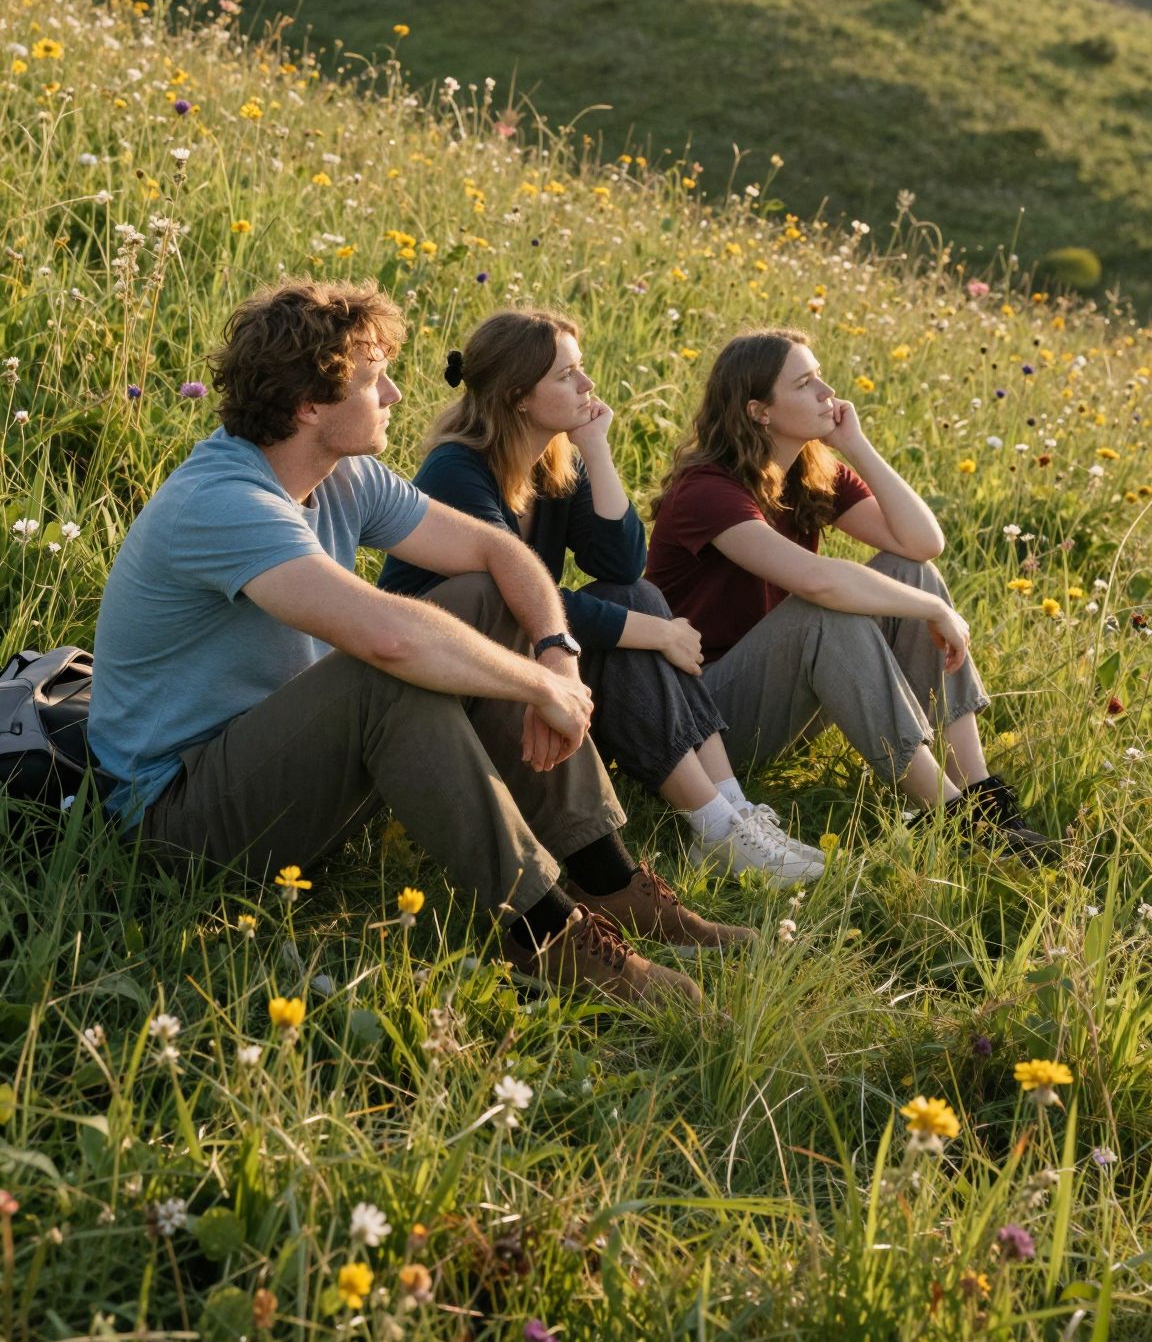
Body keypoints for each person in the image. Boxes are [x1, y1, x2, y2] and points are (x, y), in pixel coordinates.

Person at [87, 278, 747, 1013]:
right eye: (374, 382)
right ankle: (547, 935)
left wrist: (556, 646)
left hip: (279, 769)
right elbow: (391, 640)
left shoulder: (346, 477)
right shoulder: (223, 503)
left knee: (484, 598)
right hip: (180, 821)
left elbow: (499, 556)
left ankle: (609, 879)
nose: (397, 395)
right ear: (309, 405)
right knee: (387, 672)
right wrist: (536, 689)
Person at [380, 307, 822, 886]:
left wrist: (595, 448)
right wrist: (658, 633)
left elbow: (620, 563)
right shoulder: (457, 471)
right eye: (568, 376)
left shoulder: (552, 464)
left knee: (633, 593)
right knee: (635, 619)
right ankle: (715, 827)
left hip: (521, 651)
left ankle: (735, 814)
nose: (587, 386)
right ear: (518, 396)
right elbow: (518, 595)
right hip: (455, 674)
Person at [646, 327, 1056, 861]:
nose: (827, 392)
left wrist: (854, 445)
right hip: (709, 721)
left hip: (786, 694)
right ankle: (952, 818)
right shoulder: (706, 490)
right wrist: (933, 611)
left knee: (911, 574)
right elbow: (819, 583)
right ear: (758, 410)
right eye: (805, 383)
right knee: (828, 612)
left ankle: (982, 800)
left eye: (819, 376)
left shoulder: (809, 473)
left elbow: (921, 544)